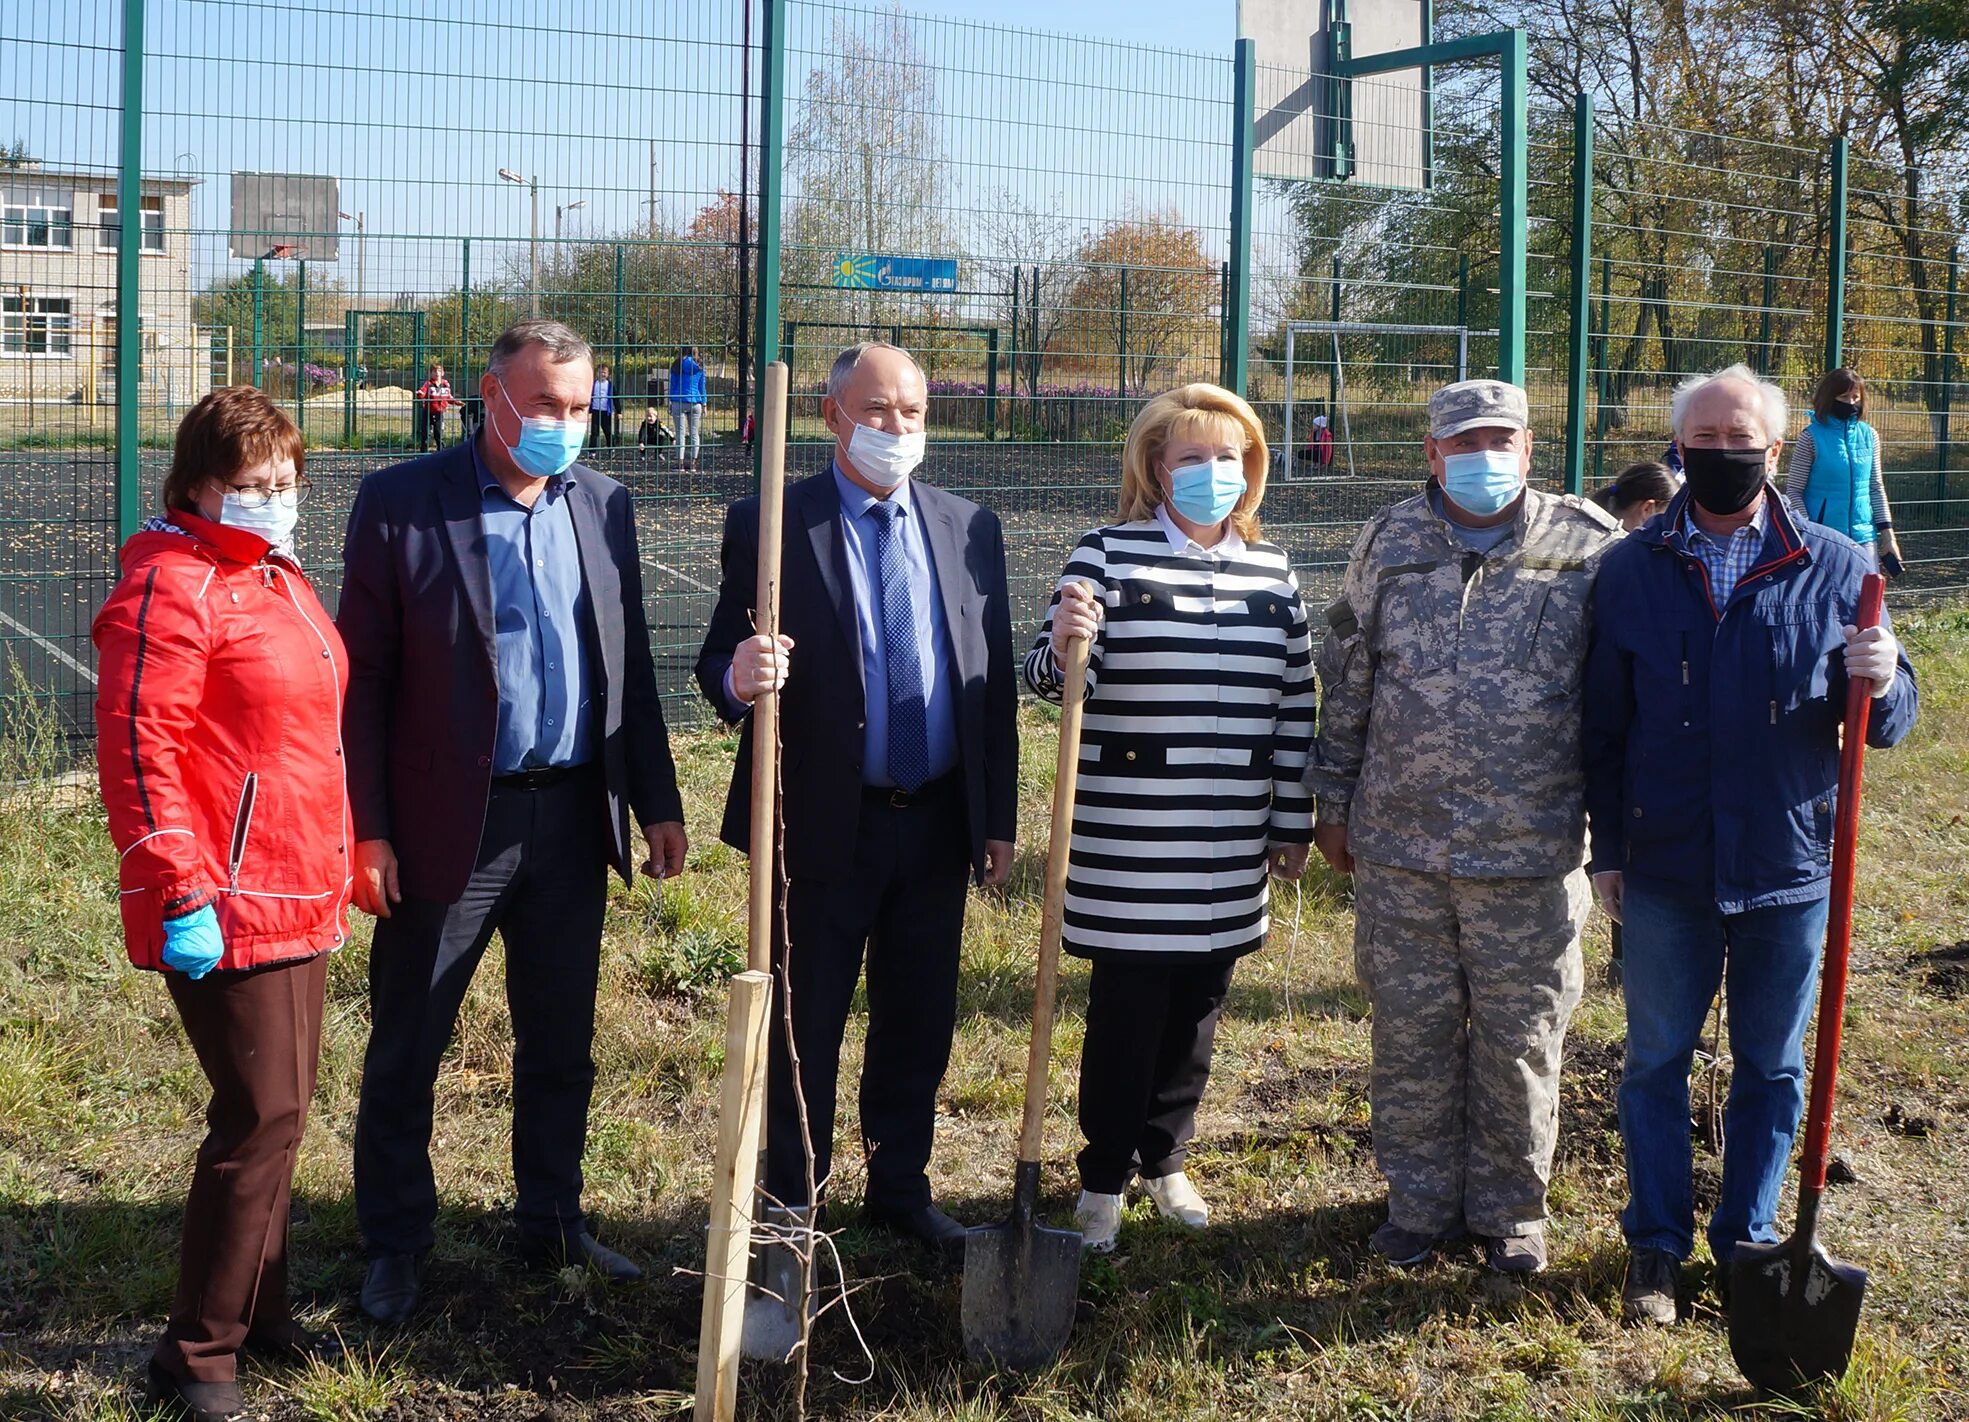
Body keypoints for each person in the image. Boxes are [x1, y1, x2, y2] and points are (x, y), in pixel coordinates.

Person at [338, 320, 688, 1324]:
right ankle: (397, 1240)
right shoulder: (404, 503)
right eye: (544, 406)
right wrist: (368, 830)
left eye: (580, 409)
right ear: (489, 397)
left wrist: (655, 802)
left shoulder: (604, 503)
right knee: (411, 1039)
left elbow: (627, 672)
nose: (563, 426)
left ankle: (552, 1219)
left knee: (560, 1041)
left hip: (573, 816)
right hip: (451, 822)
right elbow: (361, 687)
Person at [1584, 363, 1918, 1326]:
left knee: (1771, 1067)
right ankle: (1654, 1246)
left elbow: (1887, 722)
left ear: (1775, 452)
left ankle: (1746, 1239)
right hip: (1665, 864)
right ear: (1675, 449)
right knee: (1655, 1060)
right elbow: (1603, 728)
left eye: (1741, 445)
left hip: (1787, 865)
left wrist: (1886, 676)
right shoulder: (1631, 567)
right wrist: (1608, 850)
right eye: (1703, 445)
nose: (1720, 459)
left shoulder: (1839, 568)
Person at [695, 341, 1017, 1264]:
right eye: (877, 412)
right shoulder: (770, 523)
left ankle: (899, 1188)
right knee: (807, 1023)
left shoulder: (967, 526)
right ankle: (792, 1207)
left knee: (918, 1018)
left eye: (912, 412)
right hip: (819, 825)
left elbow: (987, 687)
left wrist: (995, 819)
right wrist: (738, 677)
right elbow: (717, 662)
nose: (896, 429)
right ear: (832, 415)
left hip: (937, 819)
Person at [1308, 378, 1622, 1276]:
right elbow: (1350, 673)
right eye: (1463, 441)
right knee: (1409, 1029)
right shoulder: (1390, 539)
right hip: (1401, 844)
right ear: (1431, 452)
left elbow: (1615, 697)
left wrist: (1618, 833)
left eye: (1501, 439)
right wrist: (1334, 801)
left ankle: (1508, 1211)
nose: (1483, 456)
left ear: (1528, 449)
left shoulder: (1589, 546)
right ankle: (1416, 1203)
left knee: (1520, 1037)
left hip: (1532, 850)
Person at [93, 387, 352, 1422]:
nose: (273, 500)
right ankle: (196, 1358)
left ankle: (264, 1317)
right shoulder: (171, 585)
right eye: (250, 485)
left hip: (298, 880)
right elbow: (138, 751)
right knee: (258, 1117)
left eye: (285, 482)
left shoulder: (275, 576)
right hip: (227, 892)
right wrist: (178, 887)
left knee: (281, 1117)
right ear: (198, 485)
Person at [1026, 383, 1315, 1253]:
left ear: (1250, 469)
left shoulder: (1274, 571)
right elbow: (1047, 680)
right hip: (1131, 838)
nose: (1211, 472)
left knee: (1197, 1009)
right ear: (1155, 467)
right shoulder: (1105, 554)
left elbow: (1296, 702)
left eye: (1228, 457)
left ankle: (1167, 1158)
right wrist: (1070, 639)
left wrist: (1290, 819)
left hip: (1228, 836)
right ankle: (1101, 1178)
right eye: (1191, 457)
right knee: (1128, 1009)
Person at [1786, 367, 1904, 577]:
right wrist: (1810, 531)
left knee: (1867, 602)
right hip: (1824, 539)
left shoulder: (1870, 435)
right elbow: (1794, 491)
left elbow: (1876, 488)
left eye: (1855, 397)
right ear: (1829, 398)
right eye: (1843, 396)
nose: (1850, 403)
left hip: (1864, 537)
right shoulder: (1810, 438)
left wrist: (1888, 537)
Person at [1592, 460, 1678, 532]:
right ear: (1647, 509)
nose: (1672, 529)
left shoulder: (1587, 530)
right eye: (1670, 518)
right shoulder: (1629, 550)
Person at [669, 345, 707, 471]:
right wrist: (705, 403)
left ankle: (680, 464)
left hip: (678, 400)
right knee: (694, 433)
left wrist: (670, 400)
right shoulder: (699, 366)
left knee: (680, 433)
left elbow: (673, 384)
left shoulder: (676, 365)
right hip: (696, 401)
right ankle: (693, 463)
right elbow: (702, 387)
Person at [415, 363, 454, 452]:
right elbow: (422, 393)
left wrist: (455, 402)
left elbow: (449, 397)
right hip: (428, 411)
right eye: (434, 371)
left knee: (439, 433)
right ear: (431, 373)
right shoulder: (428, 384)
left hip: (439, 412)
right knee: (425, 433)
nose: (437, 373)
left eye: (439, 371)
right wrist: (420, 394)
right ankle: (423, 452)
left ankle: (441, 451)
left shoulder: (445, 384)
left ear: (443, 373)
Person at [590, 364, 616, 448]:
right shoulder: (593, 384)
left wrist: (619, 411)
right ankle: (592, 451)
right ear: (597, 373)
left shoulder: (610, 385)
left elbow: (616, 398)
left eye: (604, 372)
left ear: (608, 374)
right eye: (600, 372)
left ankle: (611, 448)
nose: (602, 374)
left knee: (608, 431)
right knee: (594, 432)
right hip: (595, 410)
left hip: (606, 411)